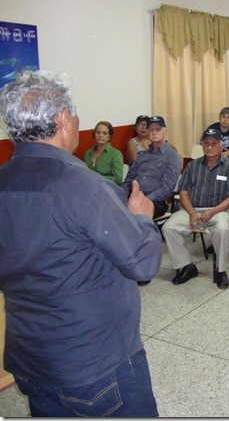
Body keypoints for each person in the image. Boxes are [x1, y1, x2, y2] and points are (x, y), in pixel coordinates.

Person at [0, 70, 162, 417]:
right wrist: (142, 217)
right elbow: (144, 264)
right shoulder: (83, 186)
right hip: (94, 363)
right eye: (74, 115)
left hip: (29, 355)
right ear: (62, 119)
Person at [162, 128, 229, 289]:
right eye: (206, 144)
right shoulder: (193, 166)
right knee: (168, 227)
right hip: (192, 209)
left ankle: (220, 270)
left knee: (222, 230)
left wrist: (212, 212)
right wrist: (192, 213)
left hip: (218, 211)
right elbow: (183, 192)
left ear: (222, 146)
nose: (209, 147)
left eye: (214, 144)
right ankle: (187, 266)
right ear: (202, 145)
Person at [122, 115, 182, 219]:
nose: (154, 133)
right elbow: (128, 180)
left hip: (155, 201)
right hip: (133, 196)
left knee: (133, 216)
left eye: (158, 129)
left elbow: (167, 189)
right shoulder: (142, 156)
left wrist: (144, 199)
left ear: (165, 131)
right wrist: (123, 196)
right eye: (151, 129)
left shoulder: (172, 157)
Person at [83, 120, 124, 184]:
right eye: (98, 132)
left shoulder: (115, 154)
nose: (100, 135)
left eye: (104, 133)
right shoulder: (88, 153)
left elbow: (118, 179)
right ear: (94, 134)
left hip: (108, 188)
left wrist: (98, 178)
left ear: (109, 137)